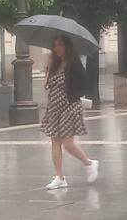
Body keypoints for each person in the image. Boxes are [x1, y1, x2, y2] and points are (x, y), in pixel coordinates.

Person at [41, 34, 99, 190]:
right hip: (54, 106)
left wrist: (73, 95)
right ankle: (60, 177)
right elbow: (46, 85)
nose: (57, 48)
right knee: (55, 141)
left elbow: (85, 84)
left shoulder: (74, 64)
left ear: (67, 46)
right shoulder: (54, 64)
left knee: (67, 143)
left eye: (60, 45)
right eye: (55, 45)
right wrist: (48, 70)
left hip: (70, 105)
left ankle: (89, 163)